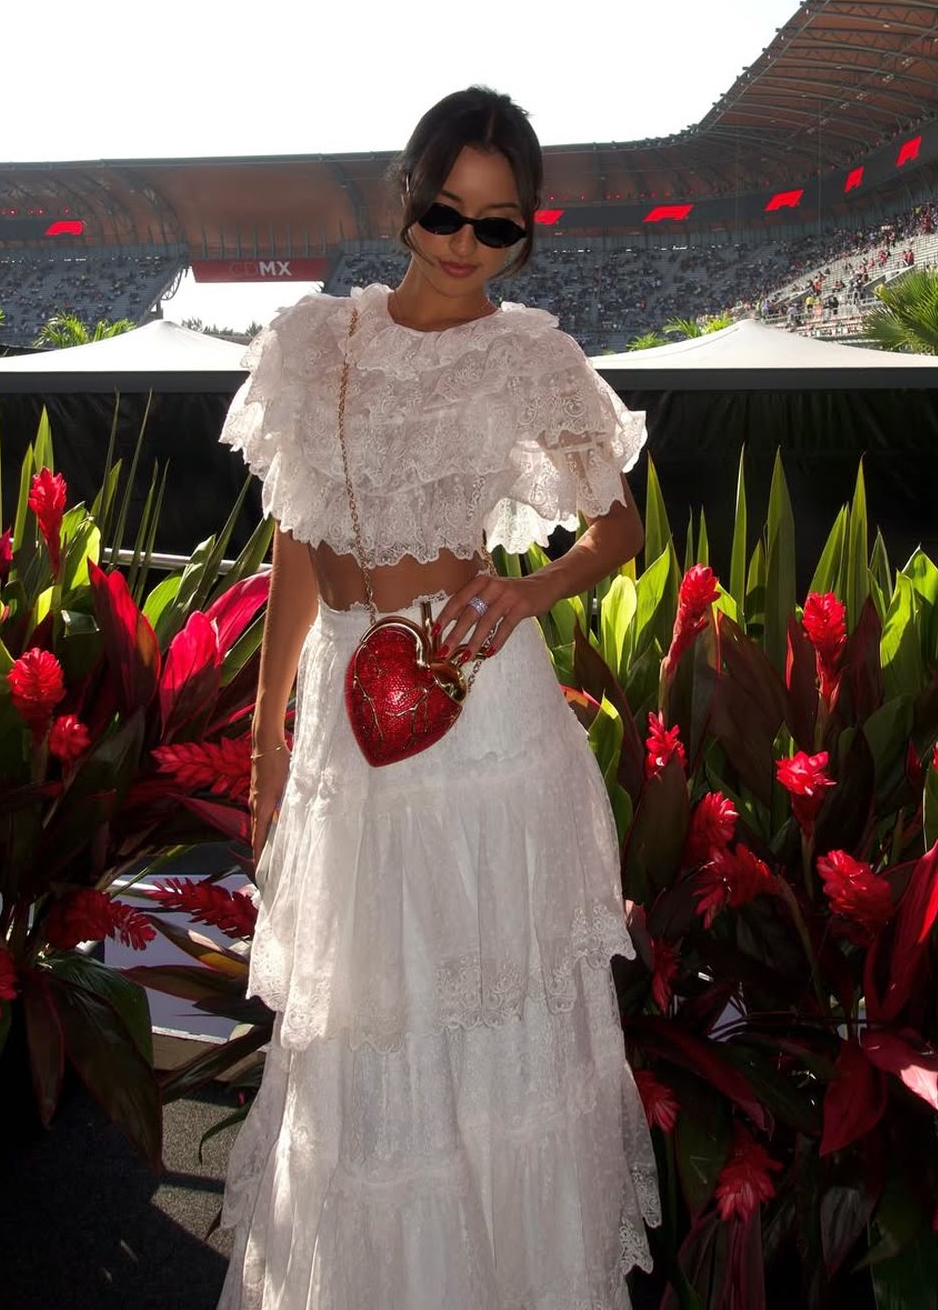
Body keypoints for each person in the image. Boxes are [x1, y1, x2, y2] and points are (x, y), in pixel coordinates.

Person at [215, 87, 661, 1309]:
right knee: (367, 1025)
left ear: (525, 232)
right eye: (446, 211)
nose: (466, 243)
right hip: (346, 717)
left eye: (498, 225)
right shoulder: (314, 341)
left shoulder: (531, 356)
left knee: (485, 1016)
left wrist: (530, 589)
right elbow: (295, 542)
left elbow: (619, 524)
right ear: (406, 196)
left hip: (479, 712)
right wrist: (266, 734)